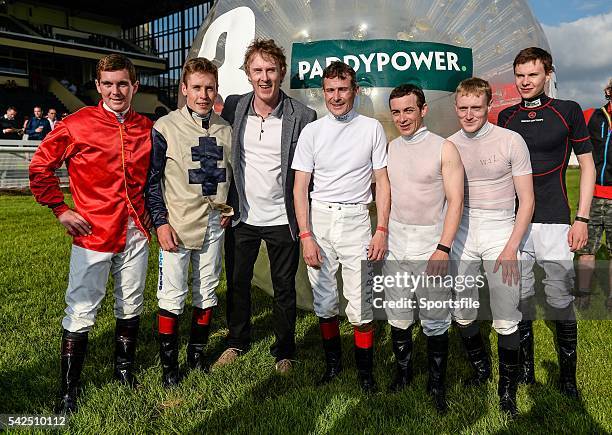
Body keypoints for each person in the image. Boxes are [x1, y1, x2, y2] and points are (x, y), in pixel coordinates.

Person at [29, 54, 152, 413]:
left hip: (137, 231)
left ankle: (124, 372)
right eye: (109, 84)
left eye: (123, 84)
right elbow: (40, 167)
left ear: (134, 86)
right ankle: (69, 391)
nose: (116, 90)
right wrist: (60, 208)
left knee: (131, 303)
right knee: (81, 309)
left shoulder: (147, 127)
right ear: (98, 86)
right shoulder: (76, 124)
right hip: (93, 232)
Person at [213, 38, 316, 373]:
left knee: (283, 287)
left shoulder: (303, 115)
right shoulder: (234, 107)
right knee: (238, 282)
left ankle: (284, 350)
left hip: (282, 217)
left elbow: (309, 169)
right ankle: (236, 341)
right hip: (242, 215)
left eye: (271, 69)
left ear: (282, 72)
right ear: (247, 73)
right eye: (257, 70)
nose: (264, 77)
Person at [498, 47, 595, 398]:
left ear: (547, 74)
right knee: (520, 297)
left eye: (533, 75)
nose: (525, 82)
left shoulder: (567, 111)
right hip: (516, 224)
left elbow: (587, 166)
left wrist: (581, 218)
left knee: (558, 300)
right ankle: (524, 369)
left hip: (556, 222)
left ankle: (568, 378)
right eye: (520, 75)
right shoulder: (505, 117)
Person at [292, 61, 390, 392]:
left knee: (361, 299)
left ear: (355, 90)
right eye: (330, 90)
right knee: (324, 298)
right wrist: (305, 235)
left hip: (357, 220)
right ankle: (333, 366)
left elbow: (382, 182)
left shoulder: (371, 128)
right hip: (319, 219)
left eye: (343, 89)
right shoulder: (312, 131)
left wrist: (382, 229)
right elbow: (299, 187)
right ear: (323, 92)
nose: (336, 97)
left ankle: (365, 374)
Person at [449, 77, 534, 416]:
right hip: (464, 231)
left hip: (502, 229)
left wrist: (512, 247)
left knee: (505, 317)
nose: (469, 115)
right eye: (464, 108)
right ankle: (482, 367)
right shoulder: (449, 144)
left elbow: (526, 200)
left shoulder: (511, 140)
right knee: (463, 312)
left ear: (488, 106)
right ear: (456, 108)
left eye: (476, 108)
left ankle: (507, 392)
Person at [146, 58, 233, 387]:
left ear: (216, 90)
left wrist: (228, 206)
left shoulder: (225, 127)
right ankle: (170, 367)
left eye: (209, 88)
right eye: (196, 87)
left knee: (206, 291)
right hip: (178, 224)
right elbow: (152, 181)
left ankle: (196, 356)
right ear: (184, 89)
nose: (203, 94)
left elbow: (234, 175)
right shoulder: (166, 127)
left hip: (213, 223)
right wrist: (160, 222)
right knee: (172, 294)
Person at [383, 84, 464, 411]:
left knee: (435, 318)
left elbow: (456, 201)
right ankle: (402, 375)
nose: (402, 118)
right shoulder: (390, 148)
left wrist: (443, 248)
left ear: (423, 110)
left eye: (409, 110)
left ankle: (436, 383)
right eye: (397, 112)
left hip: (432, 243)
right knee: (398, 313)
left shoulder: (444, 148)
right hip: (397, 244)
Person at [576, 78, 612, 311]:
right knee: (586, 250)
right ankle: (583, 295)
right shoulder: (591, 115)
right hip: (592, 197)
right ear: (609, 91)